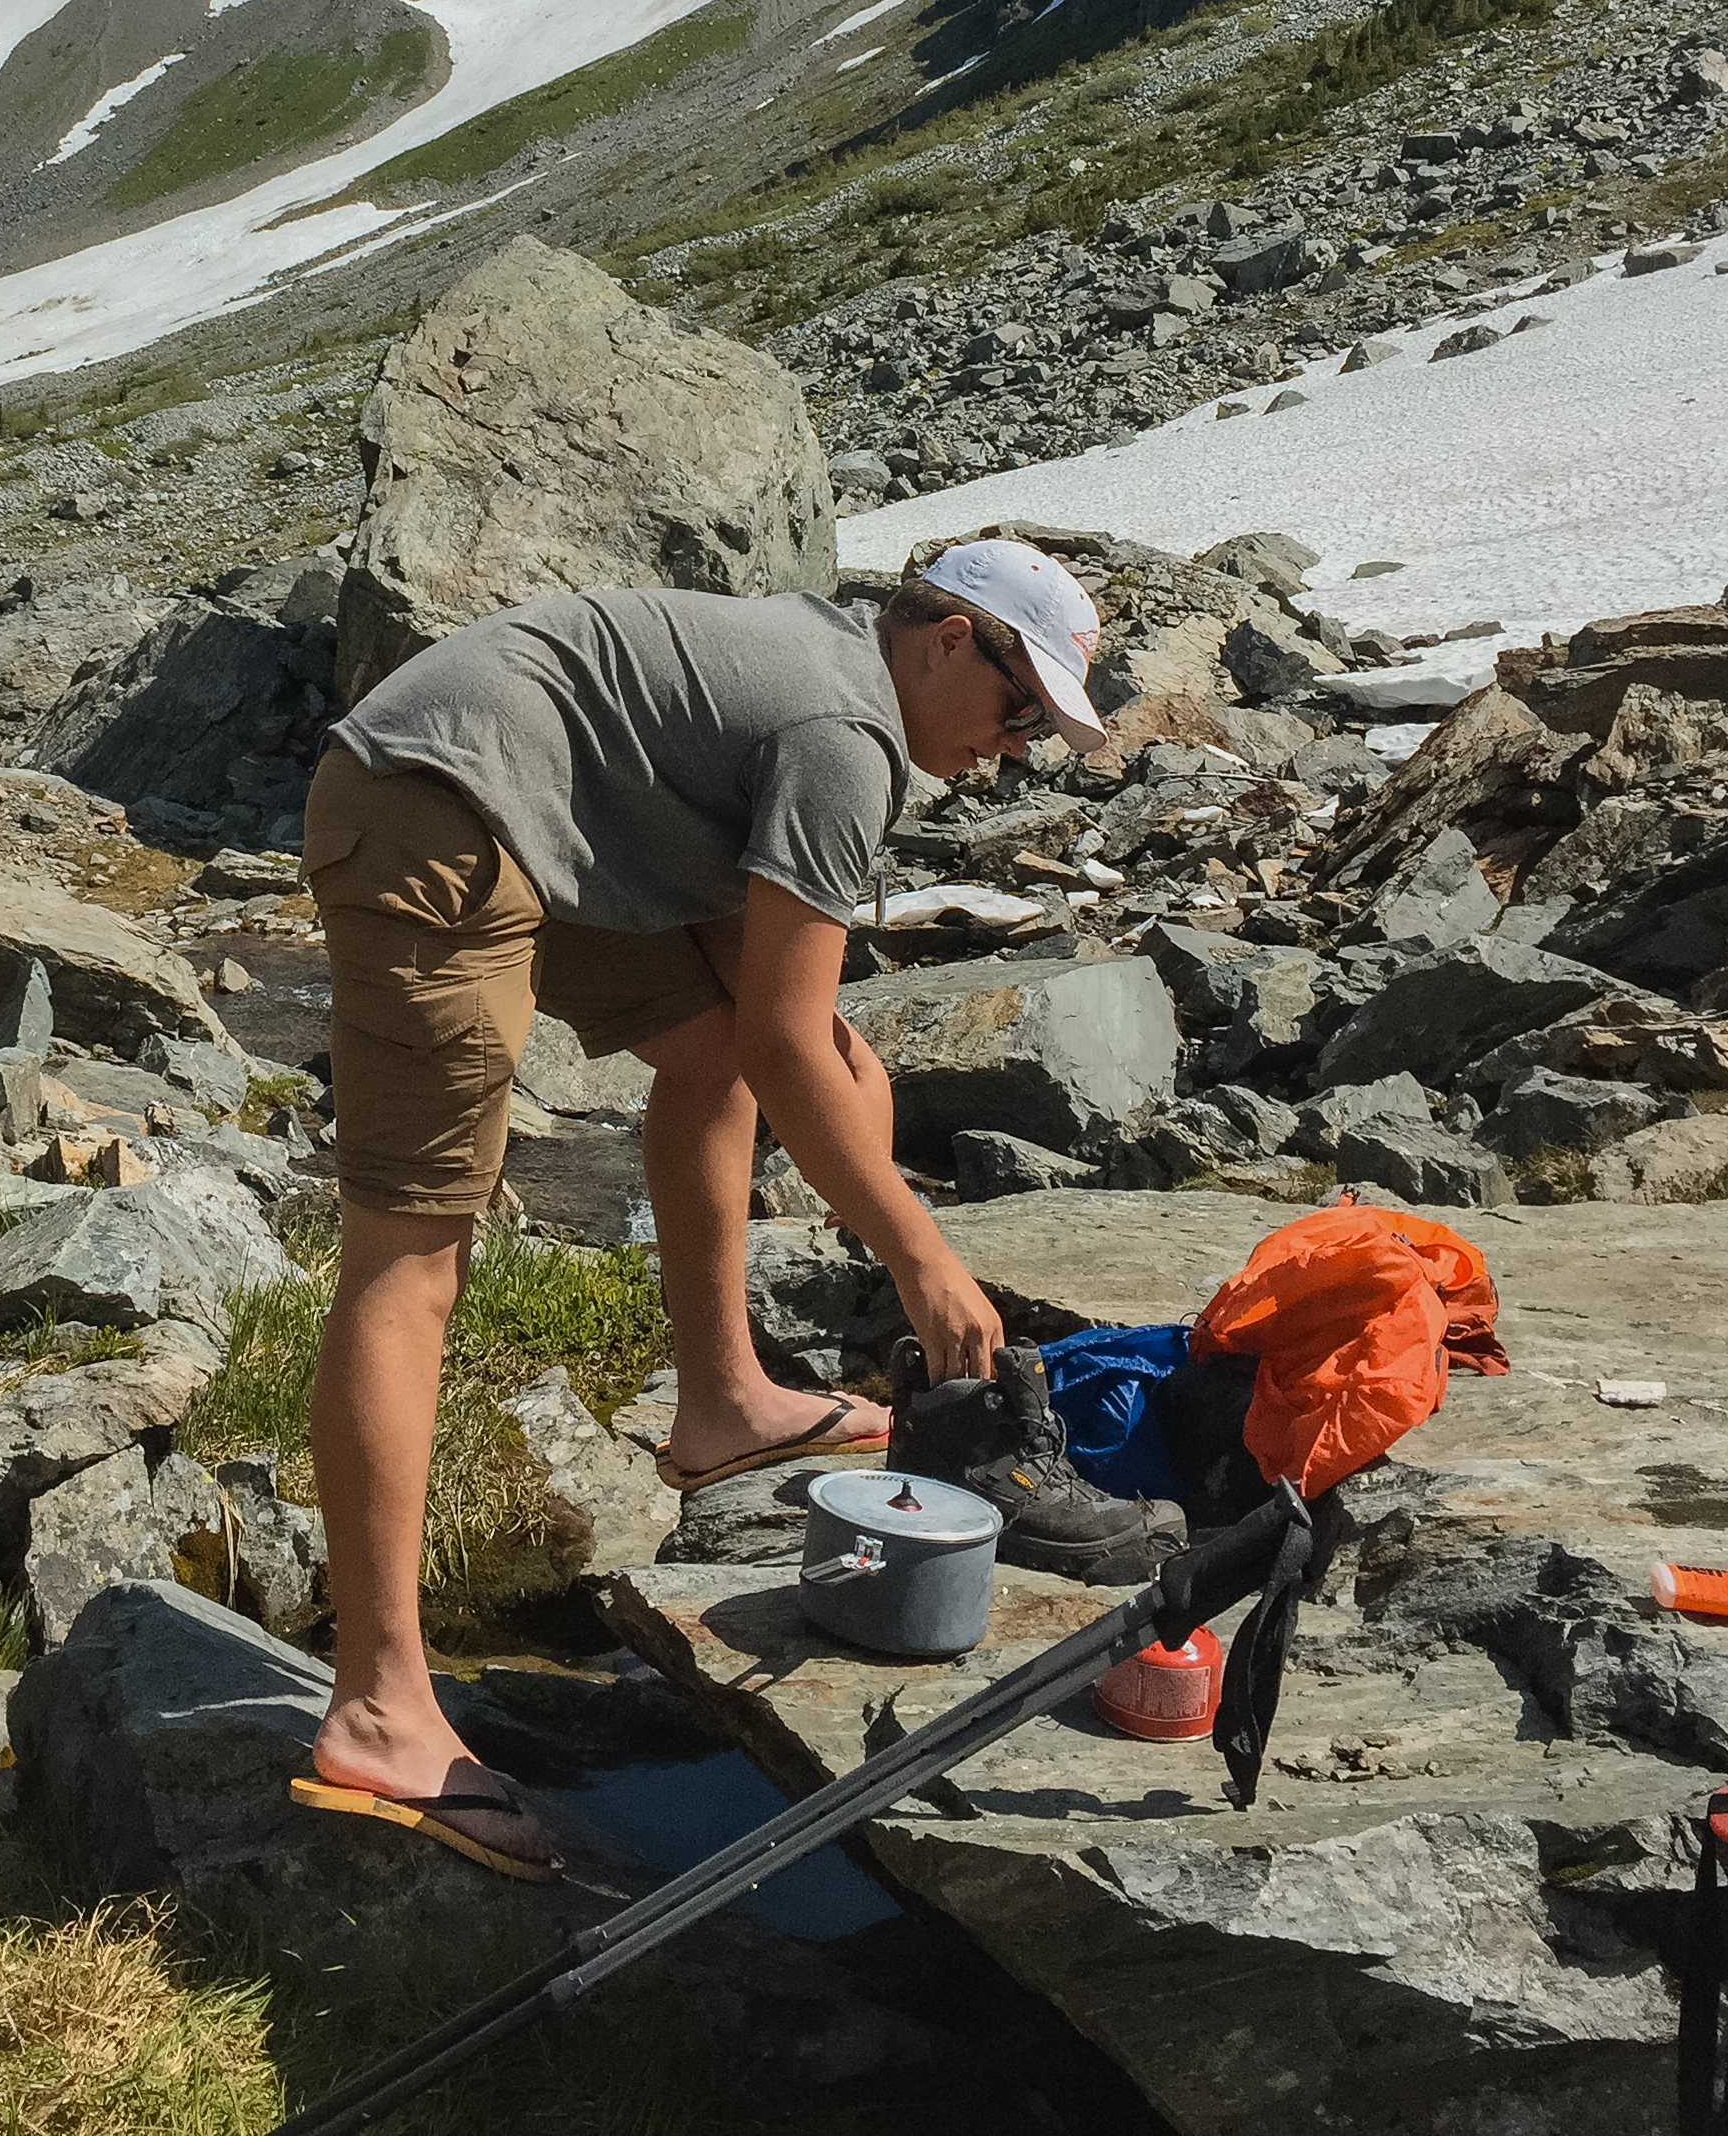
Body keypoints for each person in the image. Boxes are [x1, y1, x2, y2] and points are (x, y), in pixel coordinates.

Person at [283, 532, 1129, 1878]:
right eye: (1019, 706)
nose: (1013, 748)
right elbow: (793, 1045)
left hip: (531, 801)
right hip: (434, 804)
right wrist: (922, 1261)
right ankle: (380, 1708)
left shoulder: (843, 686)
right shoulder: (848, 731)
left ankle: (719, 1400)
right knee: (415, 1251)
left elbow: (782, 1031)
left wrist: (858, 1115)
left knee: (739, 1051)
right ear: (949, 637)